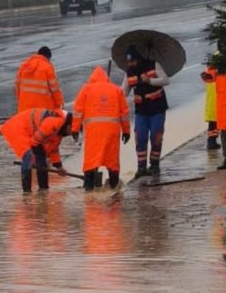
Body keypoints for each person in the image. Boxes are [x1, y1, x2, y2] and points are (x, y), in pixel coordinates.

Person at [71, 66, 131, 191]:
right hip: (112, 132)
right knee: (112, 160)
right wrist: (126, 131)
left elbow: (78, 111)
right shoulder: (116, 90)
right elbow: (124, 113)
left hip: (94, 132)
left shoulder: (86, 89)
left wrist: (75, 129)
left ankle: (89, 189)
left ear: (92, 78)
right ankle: (114, 187)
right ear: (106, 78)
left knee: (91, 160)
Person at [120, 45, 170, 177]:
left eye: (132, 61)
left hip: (157, 108)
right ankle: (141, 167)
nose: (130, 64)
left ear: (138, 59)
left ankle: (154, 165)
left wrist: (150, 80)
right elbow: (122, 92)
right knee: (140, 137)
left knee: (156, 136)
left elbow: (166, 80)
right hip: (141, 110)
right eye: (128, 62)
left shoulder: (154, 65)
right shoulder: (129, 72)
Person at [0, 108, 72, 192]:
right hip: (18, 128)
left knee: (41, 158)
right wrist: (40, 157)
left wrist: (59, 167)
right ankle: (27, 192)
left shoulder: (59, 131)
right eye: (71, 132)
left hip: (29, 131)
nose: (70, 134)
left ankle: (43, 189)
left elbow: (53, 149)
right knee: (28, 155)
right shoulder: (54, 122)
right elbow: (34, 142)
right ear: (69, 126)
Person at [14, 46, 64, 113]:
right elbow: (55, 90)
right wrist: (60, 105)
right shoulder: (47, 67)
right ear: (48, 58)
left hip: (24, 109)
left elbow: (18, 87)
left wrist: (20, 102)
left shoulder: (24, 66)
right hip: (42, 110)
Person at [201, 61, 221, 150]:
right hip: (220, 95)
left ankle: (211, 141)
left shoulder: (212, 63)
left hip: (212, 97)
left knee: (213, 122)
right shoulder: (225, 60)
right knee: (224, 119)